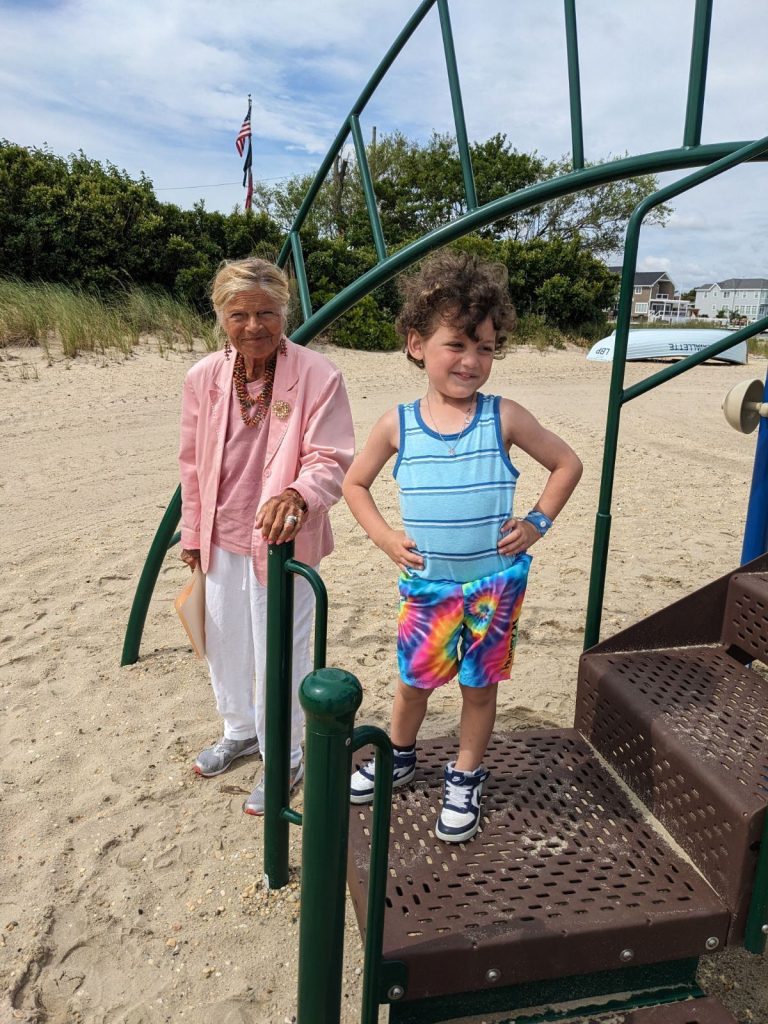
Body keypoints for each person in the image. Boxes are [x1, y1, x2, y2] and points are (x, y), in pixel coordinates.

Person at [343, 251, 582, 843]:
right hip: (427, 586)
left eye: (487, 347)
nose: (472, 361)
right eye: (457, 344)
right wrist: (385, 538)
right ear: (416, 343)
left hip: (493, 584)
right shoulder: (397, 424)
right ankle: (399, 757)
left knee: (479, 689)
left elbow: (566, 463)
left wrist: (535, 524)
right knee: (414, 683)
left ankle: (465, 776)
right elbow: (354, 483)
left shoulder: (503, 417)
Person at [179, 257, 354, 815]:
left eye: (267, 313)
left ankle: (288, 753)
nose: (254, 326)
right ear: (220, 316)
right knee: (224, 638)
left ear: (286, 312)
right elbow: (191, 463)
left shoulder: (318, 374)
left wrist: (299, 496)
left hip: (283, 540)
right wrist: (190, 530)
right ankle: (239, 729)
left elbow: (330, 457)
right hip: (219, 531)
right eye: (240, 314)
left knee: (280, 649)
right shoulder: (203, 377)